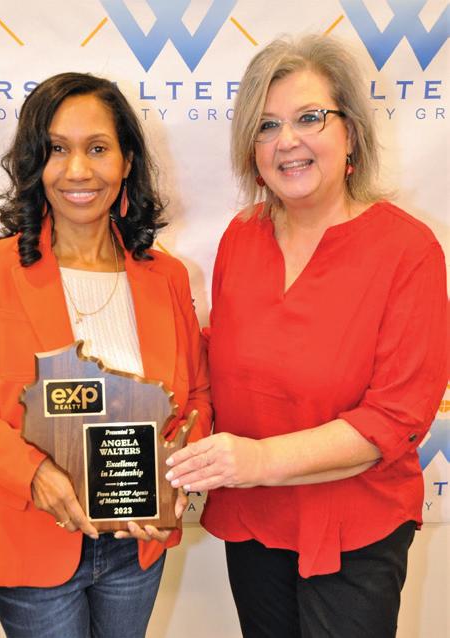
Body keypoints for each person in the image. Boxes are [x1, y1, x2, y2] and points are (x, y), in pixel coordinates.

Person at [165, 35, 447, 638]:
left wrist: (259, 459)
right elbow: (221, 362)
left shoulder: (409, 250)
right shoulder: (241, 236)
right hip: (254, 518)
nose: (286, 140)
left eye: (309, 117)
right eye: (266, 125)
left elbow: (394, 419)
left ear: (351, 133)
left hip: (355, 527)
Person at [0, 72, 211, 638]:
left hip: (137, 547)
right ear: (34, 163)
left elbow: (198, 396)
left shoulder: (166, 276)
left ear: (127, 162)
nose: (77, 170)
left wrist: (177, 475)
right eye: (56, 149)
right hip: (31, 542)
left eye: (97, 148)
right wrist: (34, 473)